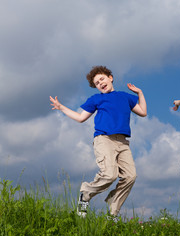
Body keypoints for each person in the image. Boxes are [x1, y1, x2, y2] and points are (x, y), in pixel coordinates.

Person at [50, 66, 147, 219]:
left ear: (110, 77)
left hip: (122, 142)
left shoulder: (125, 97)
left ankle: (113, 213)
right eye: (96, 83)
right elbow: (81, 118)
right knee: (109, 175)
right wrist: (61, 107)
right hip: (104, 139)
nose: (100, 83)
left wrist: (140, 93)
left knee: (130, 176)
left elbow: (143, 112)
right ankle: (86, 194)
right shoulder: (97, 99)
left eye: (102, 79)